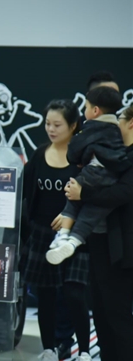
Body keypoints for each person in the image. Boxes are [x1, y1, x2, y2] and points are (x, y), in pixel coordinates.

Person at [65, 104, 133, 361]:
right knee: (102, 315)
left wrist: (84, 194)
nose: (115, 124)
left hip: (123, 249)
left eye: (120, 120)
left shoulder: (128, 158)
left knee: (119, 317)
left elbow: (122, 194)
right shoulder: (114, 152)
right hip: (100, 243)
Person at [21, 99, 93, 361]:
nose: (51, 129)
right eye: (47, 123)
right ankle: (49, 352)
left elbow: (92, 196)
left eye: (57, 124)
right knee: (46, 297)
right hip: (41, 234)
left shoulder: (83, 158)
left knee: (74, 294)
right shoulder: (39, 155)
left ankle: (84, 355)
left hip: (75, 236)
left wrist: (70, 219)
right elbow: (27, 196)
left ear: (73, 126)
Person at [46, 87, 130, 265]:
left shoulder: (91, 127)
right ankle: (73, 242)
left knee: (72, 196)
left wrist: (79, 159)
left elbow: (74, 151)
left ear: (95, 110)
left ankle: (63, 235)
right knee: (91, 214)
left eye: (86, 107)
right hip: (112, 179)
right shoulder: (116, 129)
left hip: (94, 172)